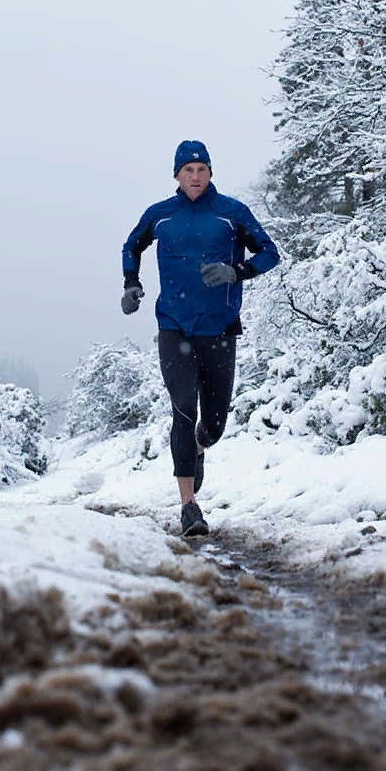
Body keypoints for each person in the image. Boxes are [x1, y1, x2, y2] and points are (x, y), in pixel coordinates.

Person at [121, 140, 280, 537]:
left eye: (201, 170)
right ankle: (189, 506)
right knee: (183, 412)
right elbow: (131, 246)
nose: (195, 177)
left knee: (213, 423)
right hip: (174, 328)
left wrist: (237, 272)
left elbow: (269, 252)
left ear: (211, 173)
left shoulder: (231, 213)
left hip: (220, 330)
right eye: (187, 170)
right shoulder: (160, 216)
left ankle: (199, 448)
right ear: (176, 174)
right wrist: (131, 284)